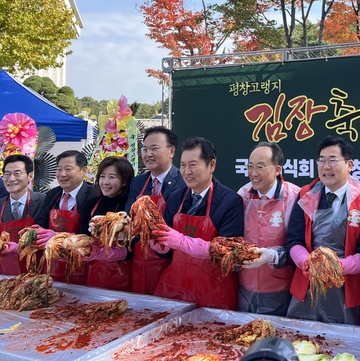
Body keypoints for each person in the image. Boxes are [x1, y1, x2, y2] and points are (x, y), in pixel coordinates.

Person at [285, 135, 360, 325]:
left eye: (333, 160)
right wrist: (308, 263)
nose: (326, 166)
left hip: (348, 291)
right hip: (307, 284)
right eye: (322, 160)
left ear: (350, 164)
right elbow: (294, 241)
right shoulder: (305, 195)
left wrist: (335, 268)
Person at [152, 137, 244, 309]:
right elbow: (165, 252)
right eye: (183, 165)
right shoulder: (175, 197)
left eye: (193, 165)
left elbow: (226, 254)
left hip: (214, 291)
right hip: (176, 287)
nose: (187, 171)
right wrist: (155, 240)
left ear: (212, 166)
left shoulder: (230, 201)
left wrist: (180, 241)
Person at [237, 142, 300, 316]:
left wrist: (271, 255)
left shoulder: (295, 197)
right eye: (250, 166)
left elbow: (300, 246)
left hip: (281, 289)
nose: (253, 173)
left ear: (277, 169)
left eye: (260, 167)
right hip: (245, 287)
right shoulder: (242, 195)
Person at [125, 126, 185, 294]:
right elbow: (129, 213)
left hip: (171, 260)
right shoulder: (137, 182)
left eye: (154, 148)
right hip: (140, 258)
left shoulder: (184, 181)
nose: (148, 154)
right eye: (145, 149)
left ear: (171, 151)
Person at [36, 150, 97, 284]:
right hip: (52, 263)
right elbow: (42, 222)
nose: (62, 174)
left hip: (82, 264)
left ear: (84, 170)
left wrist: (57, 237)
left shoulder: (94, 195)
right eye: (59, 169)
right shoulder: (52, 194)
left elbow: (89, 234)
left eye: (68, 169)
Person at [0, 154, 48, 275]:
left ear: (30, 175)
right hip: (6, 271)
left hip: (38, 271)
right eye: (7, 174)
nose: (11, 179)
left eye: (17, 174)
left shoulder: (44, 201)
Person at [81, 156, 135, 291]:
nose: (105, 182)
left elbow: (132, 246)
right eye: (102, 176)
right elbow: (82, 235)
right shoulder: (92, 203)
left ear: (124, 181)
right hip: (94, 271)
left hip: (123, 273)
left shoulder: (129, 205)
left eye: (112, 177)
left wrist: (111, 252)